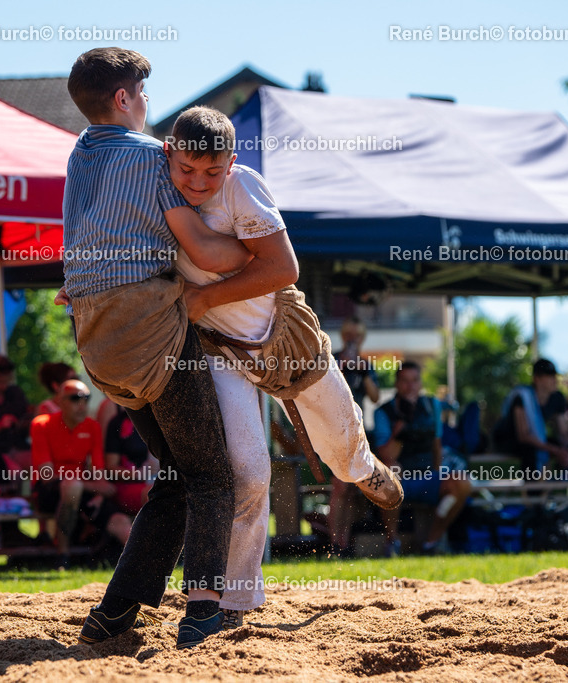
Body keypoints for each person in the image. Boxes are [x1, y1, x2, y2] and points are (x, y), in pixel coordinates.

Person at [161, 107, 403, 623]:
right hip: (219, 351)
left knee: (340, 436)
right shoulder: (152, 191)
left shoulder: (242, 186)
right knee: (248, 472)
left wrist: (207, 298)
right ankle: (237, 599)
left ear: (231, 162)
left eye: (212, 171)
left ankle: (363, 468)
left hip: (284, 334)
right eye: (187, 169)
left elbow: (283, 267)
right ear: (169, 152)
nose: (198, 181)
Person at [63, 47, 249, 649]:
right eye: (142, 93)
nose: (147, 102)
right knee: (212, 475)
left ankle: (115, 611)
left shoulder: (79, 153)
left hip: (96, 343)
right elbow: (203, 248)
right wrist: (263, 253)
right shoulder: (151, 157)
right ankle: (202, 611)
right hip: (148, 331)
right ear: (124, 99)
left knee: (175, 475)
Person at [374, 361, 472, 556]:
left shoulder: (431, 405)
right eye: (405, 381)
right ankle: (392, 542)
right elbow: (386, 456)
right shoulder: (383, 412)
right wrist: (401, 430)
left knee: (462, 483)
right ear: (396, 384)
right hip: (400, 481)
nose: (410, 386)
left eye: (415, 380)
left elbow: (437, 445)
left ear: (420, 383)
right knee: (390, 471)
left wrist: (437, 475)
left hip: (428, 477)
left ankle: (432, 543)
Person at [30, 379, 131, 568]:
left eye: (86, 399)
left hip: (82, 489)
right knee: (72, 486)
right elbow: (46, 475)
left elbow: (98, 469)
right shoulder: (41, 424)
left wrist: (99, 494)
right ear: (60, 401)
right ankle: (63, 555)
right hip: (49, 491)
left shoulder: (92, 426)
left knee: (119, 519)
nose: (82, 405)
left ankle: (143, 562)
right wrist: (95, 487)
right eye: (75, 399)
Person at [330, 316, 381, 556]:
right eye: (348, 336)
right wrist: (342, 367)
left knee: (351, 489)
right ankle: (334, 544)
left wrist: (363, 370)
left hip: (356, 432)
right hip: (333, 430)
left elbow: (375, 397)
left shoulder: (365, 365)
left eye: (356, 336)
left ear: (362, 339)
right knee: (340, 487)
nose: (352, 340)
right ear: (342, 337)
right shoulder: (331, 360)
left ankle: (344, 542)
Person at [496, 359, 568, 471]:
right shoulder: (522, 397)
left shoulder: (557, 398)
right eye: (549, 376)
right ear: (537, 379)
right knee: (531, 450)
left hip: (535, 440)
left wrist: (566, 449)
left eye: (554, 375)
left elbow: (563, 432)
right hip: (510, 440)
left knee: (566, 449)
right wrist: (555, 450)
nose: (554, 379)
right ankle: (536, 481)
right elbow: (523, 436)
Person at [103, 403, 155, 516]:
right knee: (153, 495)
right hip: (129, 484)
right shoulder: (118, 422)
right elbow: (110, 468)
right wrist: (138, 475)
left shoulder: (154, 420)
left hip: (156, 479)